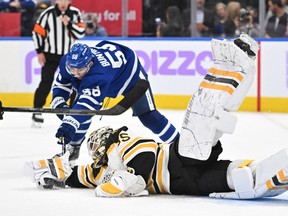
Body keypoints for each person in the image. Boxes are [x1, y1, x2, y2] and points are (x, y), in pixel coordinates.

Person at [28, 34, 288, 199]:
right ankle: (260, 173)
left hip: (171, 150)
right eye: (93, 148)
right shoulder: (99, 169)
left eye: (96, 144)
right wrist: (60, 172)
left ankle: (234, 69)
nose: (95, 151)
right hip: (181, 182)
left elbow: (141, 159)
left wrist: (124, 178)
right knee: (229, 179)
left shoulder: (125, 143)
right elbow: (80, 175)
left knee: (193, 125)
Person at [49, 40, 180, 164]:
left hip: (130, 75)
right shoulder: (70, 63)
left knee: (148, 116)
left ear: (90, 63)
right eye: (72, 69)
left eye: (80, 70)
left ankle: (181, 146)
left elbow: (87, 106)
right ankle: (73, 148)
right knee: (78, 112)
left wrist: (70, 121)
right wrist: (59, 102)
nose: (76, 74)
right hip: (107, 75)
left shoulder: (99, 74)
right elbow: (62, 84)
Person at [31, 0, 85, 127]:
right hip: (50, 55)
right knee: (45, 82)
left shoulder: (75, 13)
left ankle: (72, 112)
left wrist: (69, 23)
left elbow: (80, 33)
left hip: (69, 56)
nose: (63, 2)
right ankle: (37, 110)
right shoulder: (47, 13)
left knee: (74, 83)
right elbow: (37, 33)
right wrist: (39, 51)